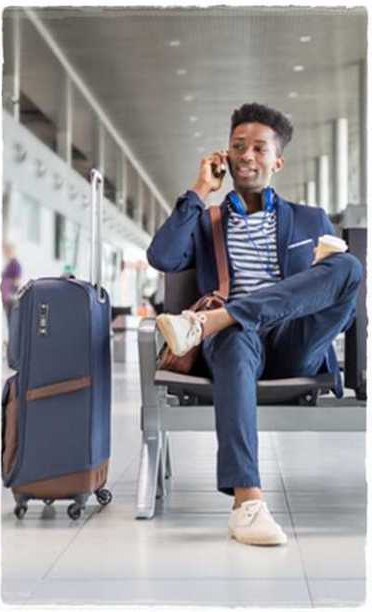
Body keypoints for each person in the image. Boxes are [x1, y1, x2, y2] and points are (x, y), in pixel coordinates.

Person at [149, 103, 361, 547]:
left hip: (293, 340)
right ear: (224, 156)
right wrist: (198, 191)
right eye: (237, 146)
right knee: (233, 335)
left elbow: (332, 285)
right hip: (235, 345)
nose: (246, 155)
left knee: (348, 268)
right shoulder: (208, 221)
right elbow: (163, 258)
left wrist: (317, 273)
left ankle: (212, 320)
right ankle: (247, 504)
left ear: (276, 160)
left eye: (258, 148)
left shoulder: (309, 218)